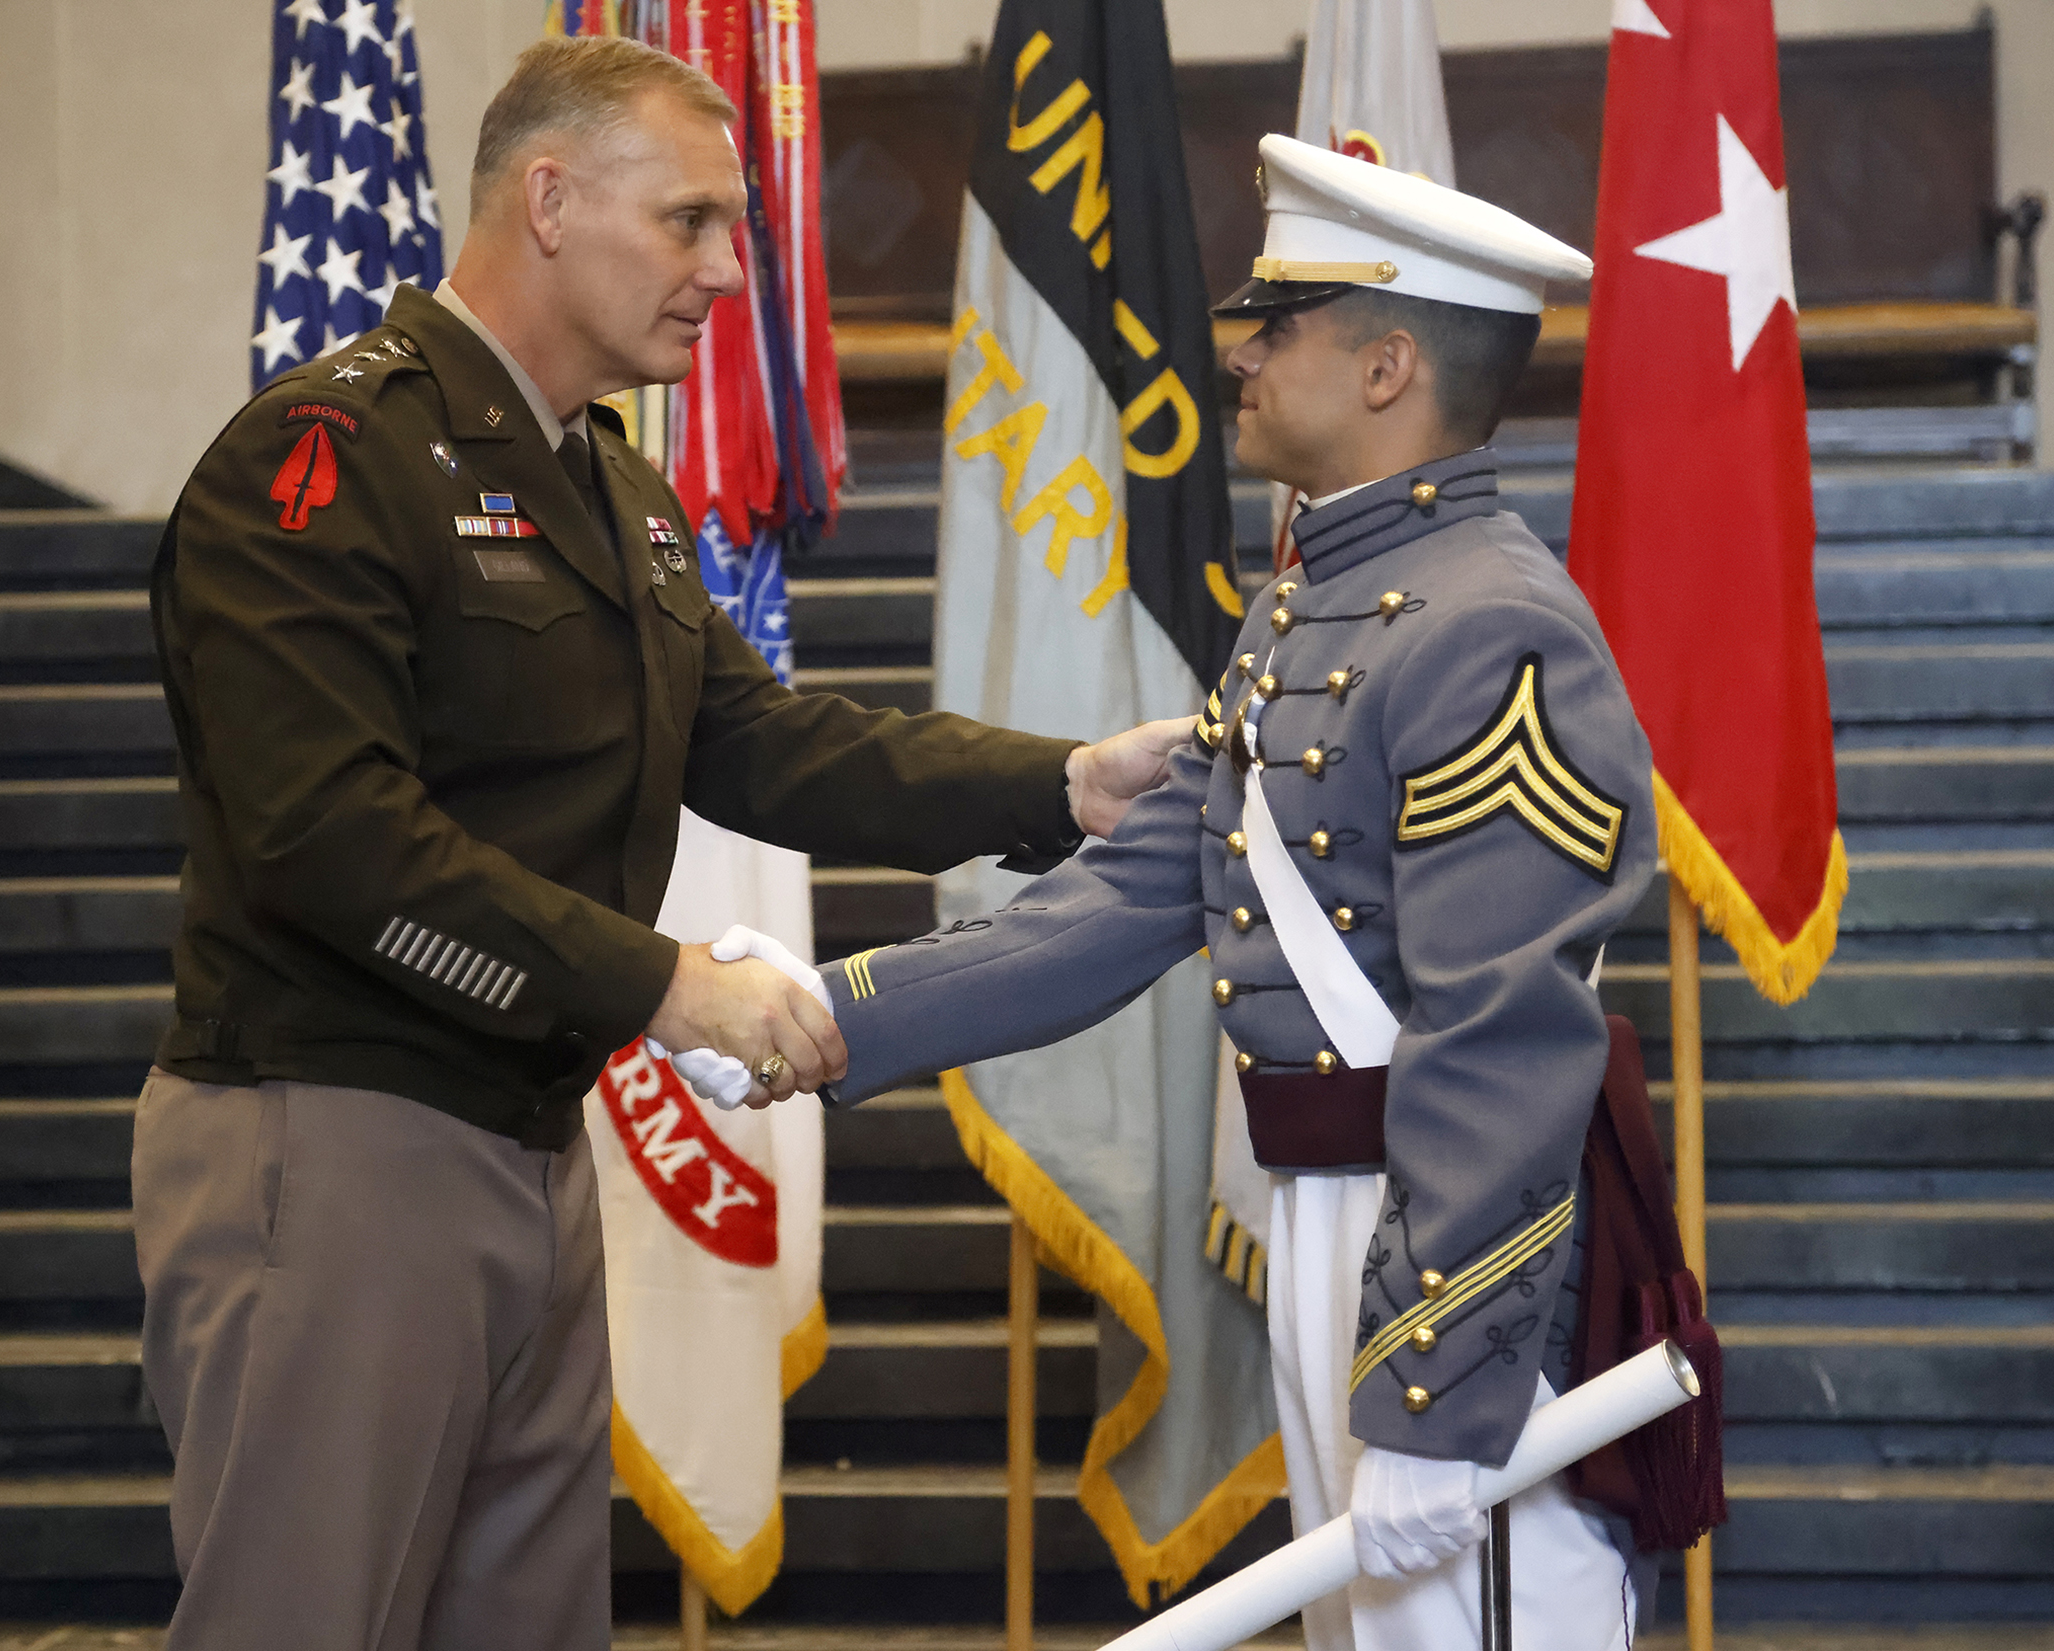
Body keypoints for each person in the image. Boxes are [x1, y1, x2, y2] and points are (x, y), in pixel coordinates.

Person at [133, 35, 1188, 1651]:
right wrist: (666, 988)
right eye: (689, 221)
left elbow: (759, 744)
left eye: (734, 230)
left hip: (528, 1142)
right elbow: (328, 842)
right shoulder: (332, 458)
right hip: (338, 1138)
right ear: (549, 201)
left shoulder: (613, 487)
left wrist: (1067, 788)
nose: (728, 273)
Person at [799, 136, 1661, 1650]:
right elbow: (1127, 898)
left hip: (1451, 1252)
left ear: (1389, 365)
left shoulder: (1494, 628)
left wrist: (1439, 1379)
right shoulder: (1308, 604)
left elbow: (1501, 1039)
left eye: (1283, 322)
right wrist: (825, 1015)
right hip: (1329, 1218)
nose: (1241, 352)